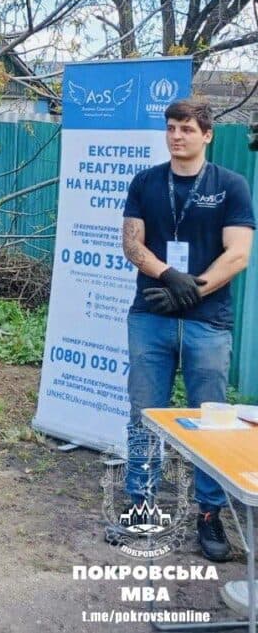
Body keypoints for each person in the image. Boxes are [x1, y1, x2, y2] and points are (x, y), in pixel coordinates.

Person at [121, 97, 255, 562]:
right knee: (143, 414)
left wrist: (193, 290)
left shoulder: (230, 185)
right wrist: (167, 277)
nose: (178, 135)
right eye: (172, 127)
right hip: (151, 316)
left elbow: (238, 253)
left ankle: (209, 514)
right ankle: (141, 503)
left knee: (209, 421)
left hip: (208, 323)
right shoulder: (145, 182)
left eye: (188, 129)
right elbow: (132, 243)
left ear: (207, 135)